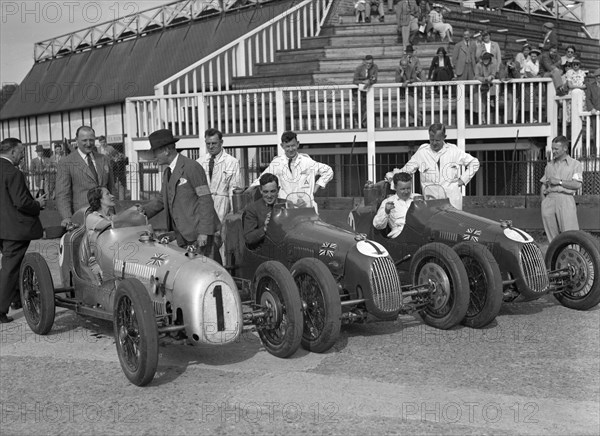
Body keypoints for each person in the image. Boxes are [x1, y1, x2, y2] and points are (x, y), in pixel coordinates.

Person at [142, 129, 221, 262]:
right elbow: (162, 199)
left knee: (208, 270)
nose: (154, 155)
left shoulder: (192, 167)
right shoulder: (167, 172)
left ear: (166, 150)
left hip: (198, 235)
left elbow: (205, 199)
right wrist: (140, 213)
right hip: (181, 236)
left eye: (155, 151)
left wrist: (204, 232)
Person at [0, 137, 47, 323]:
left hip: (3, 228)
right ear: (12, 152)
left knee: (13, 265)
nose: (23, 156)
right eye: (21, 152)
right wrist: (38, 204)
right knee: (10, 269)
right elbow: (21, 202)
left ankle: (17, 299)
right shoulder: (13, 173)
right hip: (14, 229)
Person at [385, 123, 480, 210]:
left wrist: (462, 180)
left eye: (437, 140)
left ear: (444, 137)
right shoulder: (422, 153)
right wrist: (391, 177)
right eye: (431, 140)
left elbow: (474, 163)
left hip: (452, 202)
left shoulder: (453, 151)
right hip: (431, 203)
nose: (434, 143)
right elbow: (406, 171)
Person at [251, 131, 333, 210]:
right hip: (285, 208)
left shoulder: (307, 162)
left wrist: (316, 187)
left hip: (306, 208)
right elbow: (262, 179)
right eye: (287, 146)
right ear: (282, 146)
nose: (290, 149)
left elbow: (328, 171)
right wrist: (250, 188)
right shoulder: (277, 163)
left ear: (298, 144)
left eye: (293, 145)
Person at [56, 126, 114, 227]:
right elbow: (62, 194)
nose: (88, 144)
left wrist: (112, 211)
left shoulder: (104, 159)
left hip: (106, 218)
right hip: (82, 220)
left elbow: (111, 188)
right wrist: (67, 217)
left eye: (91, 140)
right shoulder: (66, 163)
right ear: (76, 140)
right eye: (84, 140)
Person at [198, 128, 241, 258]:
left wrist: (232, 213)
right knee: (204, 241)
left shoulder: (231, 162)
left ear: (221, 142)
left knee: (220, 241)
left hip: (222, 205)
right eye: (208, 143)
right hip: (204, 206)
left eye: (214, 143)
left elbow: (235, 189)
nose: (210, 147)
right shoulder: (200, 162)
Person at [540, 136, 582, 242]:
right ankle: (555, 258)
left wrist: (559, 182)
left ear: (565, 148)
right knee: (552, 239)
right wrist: (543, 202)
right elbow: (543, 184)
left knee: (570, 235)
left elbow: (577, 185)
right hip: (549, 200)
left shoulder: (575, 164)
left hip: (565, 200)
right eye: (552, 148)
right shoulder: (549, 165)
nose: (553, 151)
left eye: (556, 149)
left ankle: (572, 257)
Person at [83, 186, 116, 284]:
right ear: (99, 199)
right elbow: (107, 224)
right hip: (98, 262)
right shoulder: (91, 218)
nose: (112, 196)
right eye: (107, 194)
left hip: (114, 256)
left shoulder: (112, 217)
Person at [243, 173, 285, 248]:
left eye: (272, 191)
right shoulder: (252, 209)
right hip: (265, 251)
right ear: (260, 191)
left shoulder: (286, 204)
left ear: (278, 190)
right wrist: (265, 228)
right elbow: (248, 238)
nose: (269, 196)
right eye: (265, 192)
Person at [373, 172, 414, 238]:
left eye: (408, 188)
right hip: (399, 235)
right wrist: (386, 212)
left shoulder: (417, 199)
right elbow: (378, 225)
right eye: (403, 189)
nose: (406, 192)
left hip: (419, 231)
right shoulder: (388, 201)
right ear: (395, 187)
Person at [395, 57, 423, 125]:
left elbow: (414, 79)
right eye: (403, 65)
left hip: (414, 90)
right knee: (411, 106)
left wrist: (408, 81)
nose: (404, 67)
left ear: (407, 64)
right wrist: (401, 73)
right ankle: (419, 120)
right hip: (406, 91)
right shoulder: (398, 69)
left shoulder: (411, 68)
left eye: (405, 65)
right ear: (400, 65)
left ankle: (419, 120)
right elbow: (397, 81)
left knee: (414, 106)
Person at [353, 55, 379, 124]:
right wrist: (363, 82)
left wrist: (369, 82)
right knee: (359, 107)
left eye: (370, 63)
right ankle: (359, 123)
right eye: (367, 63)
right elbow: (354, 81)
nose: (368, 65)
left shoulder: (375, 67)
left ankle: (365, 123)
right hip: (358, 91)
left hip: (368, 90)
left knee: (368, 107)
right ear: (364, 62)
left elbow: (375, 79)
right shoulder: (359, 68)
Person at [475, 52, 499, 123]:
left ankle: (493, 120)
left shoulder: (493, 65)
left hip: (491, 87)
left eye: (487, 59)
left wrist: (491, 77)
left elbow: (493, 74)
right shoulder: (478, 65)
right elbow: (476, 76)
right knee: (482, 103)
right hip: (481, 87)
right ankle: (482, 119)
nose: (486, 60)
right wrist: (484, 79)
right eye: (484, 59)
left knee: (493, 103)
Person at [563, 59, 587, 123]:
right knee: (571, 108)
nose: (575, 66)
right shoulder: (569, 72)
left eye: (577, 64)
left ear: (579, 65)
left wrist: (582, 87)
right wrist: (580, 87)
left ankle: (581, 122)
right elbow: (570, 85)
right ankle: (570, 123)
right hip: (572, 92)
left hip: (581, 93)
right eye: (574, 64)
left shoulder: (582, 73)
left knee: (581, 107)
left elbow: (585, 84)